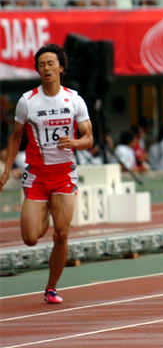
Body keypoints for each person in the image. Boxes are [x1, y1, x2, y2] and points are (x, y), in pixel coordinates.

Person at [0, 44, 93, 304]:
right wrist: (7, 171)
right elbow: (15, 137)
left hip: (64, 174)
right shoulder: (27, 101)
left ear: (61, 68)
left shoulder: (74, 99)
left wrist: (73, 143)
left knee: (62, 234)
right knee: (30, 238)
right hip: (37, 176)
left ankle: (51, 287)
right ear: (38, 69)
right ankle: (44, 214)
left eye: (51, 63)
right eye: (42, 64)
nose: (46, 68)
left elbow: (89, 139)